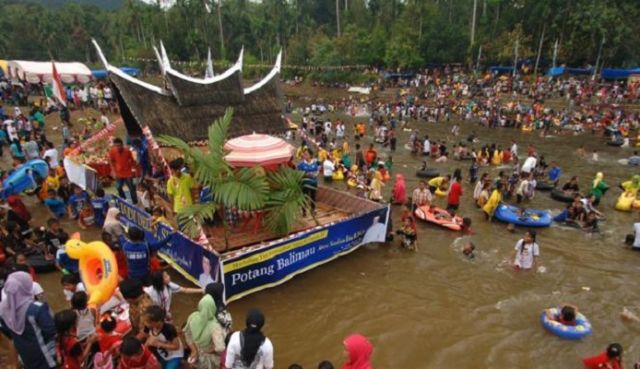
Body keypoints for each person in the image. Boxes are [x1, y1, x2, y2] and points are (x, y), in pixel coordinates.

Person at [0, 271, 57, 369]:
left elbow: (8, 334)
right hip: (44, 354)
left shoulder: (3, 310)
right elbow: (51, 330)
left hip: (25, 355)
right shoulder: (37, 308)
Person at [184, 294, 227, 369]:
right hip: (209, 356)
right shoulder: (215, 327)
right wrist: (211, 350)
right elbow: (220, 348)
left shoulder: (192, 317)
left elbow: (187, 335)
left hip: (197, 351)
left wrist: (194, 350)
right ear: (213, 308)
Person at [109, 137, 138, 204]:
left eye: (119, 145)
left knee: (131, 188)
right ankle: (124, 200)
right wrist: (113, 171)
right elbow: (111, 161)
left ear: (122, 145)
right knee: (118, 187)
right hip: (118, 173)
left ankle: (135, 202)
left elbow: (132, 160)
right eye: (116, 146)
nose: (118, 147)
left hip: (128, 173)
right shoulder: (112, 151)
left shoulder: (127, 151)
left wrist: (135, 168)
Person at [297, 150, 318, 216]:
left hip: (313, 183)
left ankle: (313, 209)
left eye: (306, 154)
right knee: (304, 198)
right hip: (305, 184)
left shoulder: (314, 164)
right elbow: (298, 174)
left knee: (313, 197)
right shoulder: (301, 165)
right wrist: (306, 174)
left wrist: (315, 174)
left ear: (310, 156)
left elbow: (317, 171)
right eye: (304, 154)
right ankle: (304, 211)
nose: (304, 155)